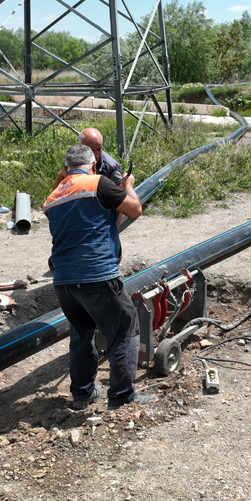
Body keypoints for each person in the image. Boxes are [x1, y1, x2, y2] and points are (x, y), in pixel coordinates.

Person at [44, 144, 155, 410]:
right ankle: (122, 396)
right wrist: (128, 185)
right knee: (124, 329)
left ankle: (82, 394)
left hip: (63, 280)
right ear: (92, 165)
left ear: (66, 168)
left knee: (81, 333)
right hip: (97, 274)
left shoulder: (52, 197)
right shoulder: (98, 183)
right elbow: (135, 210)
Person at [52, 127, 122, 189]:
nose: (96, 155)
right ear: (80, 147)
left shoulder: (111, 168)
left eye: (99, 149)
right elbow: (62, 175)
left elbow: (119, 196)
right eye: (91, 150)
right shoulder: (73, 158)